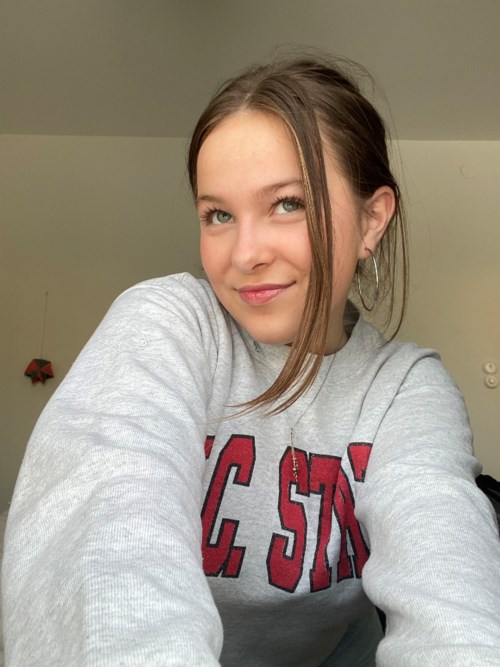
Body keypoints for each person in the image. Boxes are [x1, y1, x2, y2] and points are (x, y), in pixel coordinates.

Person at [2, 54, 500, 667]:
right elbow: (104, 531)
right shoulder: (168, 324)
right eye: (218, 215)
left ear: (372, 219)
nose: (244, 254)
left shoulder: (403, 389)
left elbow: (452, 598)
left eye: (288, 203)